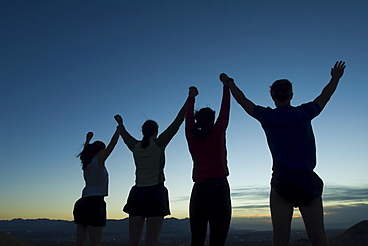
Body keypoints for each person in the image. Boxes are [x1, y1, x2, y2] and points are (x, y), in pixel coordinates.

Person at [220, 61, 346, 246]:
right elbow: (325, 96)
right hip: (306, 181)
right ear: (291, 95)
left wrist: (229, 83)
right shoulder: (304, 113)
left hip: (282, 182)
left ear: (272, 96)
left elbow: (243, 101)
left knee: (280, 239)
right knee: (318, 238)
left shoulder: (268, 117)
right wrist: (335, 78)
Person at [114, 93, 189, 246]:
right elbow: (177, 122)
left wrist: (120, 123)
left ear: (143, 131)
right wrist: (190, 98)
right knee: (152, 241)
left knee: (133, 241)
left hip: (137, 193)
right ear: (156, 131)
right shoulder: (159, 144)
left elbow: (124, 135)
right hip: (155, 193)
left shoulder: (135, 146)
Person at [185, 82, 231, 245]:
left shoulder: (192, 135)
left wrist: (191, 97)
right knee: (218, 240)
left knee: (197, 240)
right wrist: (227, 87)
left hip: (199, 190)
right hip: (219, 188)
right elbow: (225, 110)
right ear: (212, 120)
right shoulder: (217, 132)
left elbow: (188, 117)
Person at [73, 119, 120, 246]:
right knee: (95, 242)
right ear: (100, 151)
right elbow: (113, 144)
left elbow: (85, 151)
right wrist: (119, 128)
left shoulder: (86, 163)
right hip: (95, 204)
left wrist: (88, 139)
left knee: (80, 242)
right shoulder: (99, 161)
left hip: (82, 203)